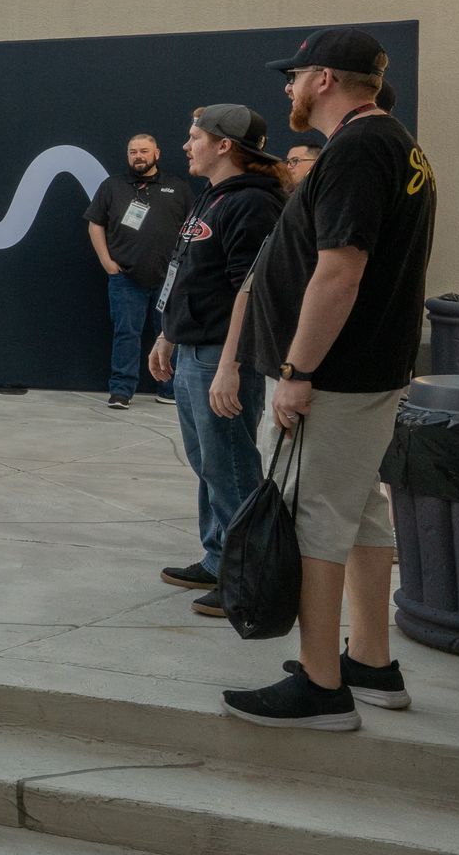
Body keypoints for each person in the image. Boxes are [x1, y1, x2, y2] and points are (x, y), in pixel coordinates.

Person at [220, 28, 435, 731]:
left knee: (310, 519)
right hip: (368, 372)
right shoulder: (394, 143)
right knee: (361, 513)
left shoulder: (356, 149)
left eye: (295, 75)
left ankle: (321, 687)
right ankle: (370, 661)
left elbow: (340, 271)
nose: (287, 87)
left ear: (324, 80)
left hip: (334, 378)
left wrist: (297, 370)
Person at [146, 106, 286, 618]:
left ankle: (248, 579)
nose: (186, 146)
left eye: (194, 137)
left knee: (230, 466)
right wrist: (169, 334)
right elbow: (189, 272)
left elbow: (251, 291)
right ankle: (218, 557)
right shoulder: (214, 195)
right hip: (194, 348)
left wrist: (231, 364)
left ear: (225, 145)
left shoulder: (253, 203)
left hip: (221, 358)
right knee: (208, 462)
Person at [84, 134, 191, 409]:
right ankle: (121, 391)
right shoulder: (112, 186)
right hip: (125, 278)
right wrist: (107, 263)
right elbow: (95, 224)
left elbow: (193, 229)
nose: (138, 156)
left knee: (168, 334)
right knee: (126, 334)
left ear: (157, 153)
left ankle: (169, 390)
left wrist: (183, 267)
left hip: (168, 279)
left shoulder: (178, 187)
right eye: (133, 152)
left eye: (144, 151)